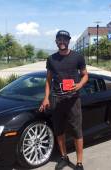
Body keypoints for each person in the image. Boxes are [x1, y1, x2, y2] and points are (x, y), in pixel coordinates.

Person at [39, 30, 88, 170]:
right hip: (57, 100)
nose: (62, 41)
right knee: (59, 130)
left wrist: (78, 85)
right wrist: (46, 98)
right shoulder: (51, 59)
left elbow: (85, 75)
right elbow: (48, 81)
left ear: (69, 41)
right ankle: (64, 157)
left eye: (64, 39)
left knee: (77, 131)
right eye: (59, 39)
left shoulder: (78, 57)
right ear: (56, 41)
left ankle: (79, 163)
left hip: (73, 100)